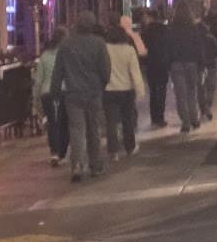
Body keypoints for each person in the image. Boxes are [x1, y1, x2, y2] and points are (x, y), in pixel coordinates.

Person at [51, 10, 110, 181]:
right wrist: (102, 85)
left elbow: (58, 72)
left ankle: (77, 165)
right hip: (93, 92)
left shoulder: (66, 45)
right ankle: (96, 164)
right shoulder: (99, 43)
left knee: (77, 130)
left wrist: (55, 92)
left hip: (73, 94)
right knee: (93, 129)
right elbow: (105, 70)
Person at [102, 24, 146, 160]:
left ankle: (113, 151)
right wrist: (140, 90)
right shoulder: (129, 50)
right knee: (127, 119)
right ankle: (130, 146)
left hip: (108, 90)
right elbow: (135, 72)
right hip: (126, 90)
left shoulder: (104, 49)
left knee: (111, 121)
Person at [166, 5, 207, 133]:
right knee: (192, 92)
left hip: (176, 64)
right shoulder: (193, 29)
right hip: (191, 63)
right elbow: (198, 48)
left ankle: (186, 122)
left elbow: (168, 49)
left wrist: (169, 64)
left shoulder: (171, 29)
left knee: (180, 95)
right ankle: (194, 119)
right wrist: (201, 64)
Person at [34, 26, 69, 166]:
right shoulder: (66, 54)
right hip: (63, 91)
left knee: (52, 124)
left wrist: (36, 98)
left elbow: (38, 81)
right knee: (64, 124)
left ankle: (54, 152)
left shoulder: (44, 57)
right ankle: (62, 152)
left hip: (47, 93)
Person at [140, 9, 170, 128]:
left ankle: (154, 117)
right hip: (163, 63)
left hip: (151, 64)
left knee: (153, 91)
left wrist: (144, 62)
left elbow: (142, 49)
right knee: (162, 90)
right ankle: (160, 117)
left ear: (150, 17)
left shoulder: (146, 31)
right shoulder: (165, 29)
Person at [199, 20, 217, 122]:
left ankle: (204, 109)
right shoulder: (211, 38)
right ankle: (207, 107)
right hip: (211, 66)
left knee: (201, 88)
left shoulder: (196, 39)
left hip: (200, 67)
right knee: (211, 88)